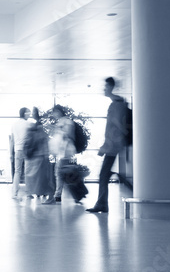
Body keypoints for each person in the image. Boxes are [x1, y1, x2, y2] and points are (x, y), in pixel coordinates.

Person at [86, 77, 129, 214]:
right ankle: (102, 203)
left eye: (106, 87)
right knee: (104, 174)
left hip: (113, 144)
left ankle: (102, 204)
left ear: (111, 87)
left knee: (103, 174)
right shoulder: (117, 103)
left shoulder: (117, 104)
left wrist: (106, 146)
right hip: (113, 144)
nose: (104, 89)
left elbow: (116, 125)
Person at [22, 108, 54, 202]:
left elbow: (41, 140)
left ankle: (49, 195)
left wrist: (45, 154)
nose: (31, 114)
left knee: (40, 178)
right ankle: (44, 194)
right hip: (36, 156)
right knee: (38, 178)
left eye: (33, 112)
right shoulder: (35, 126)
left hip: (37, 156)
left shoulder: (37, 126)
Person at [49, 105, 76, 204]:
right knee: (63, 173)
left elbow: (68, 135)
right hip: (63, 152)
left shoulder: (67, 121)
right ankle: (59, 195)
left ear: (59, 111)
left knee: (60, 173)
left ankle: (58, 195)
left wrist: (60, 132)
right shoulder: (62, 122)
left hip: (66, 151)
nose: (53, 114)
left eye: (54, 112)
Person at [10, 107, 31, 199]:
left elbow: (12, 140)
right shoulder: (28, 124)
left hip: (17, 150)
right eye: (28, 112)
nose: (29, 114)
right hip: (27, 149)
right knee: (27, 171)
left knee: (17, 172)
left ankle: (14, 193)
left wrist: (10, 153)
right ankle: (28, 193)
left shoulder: (14, 125)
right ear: (24, 113)